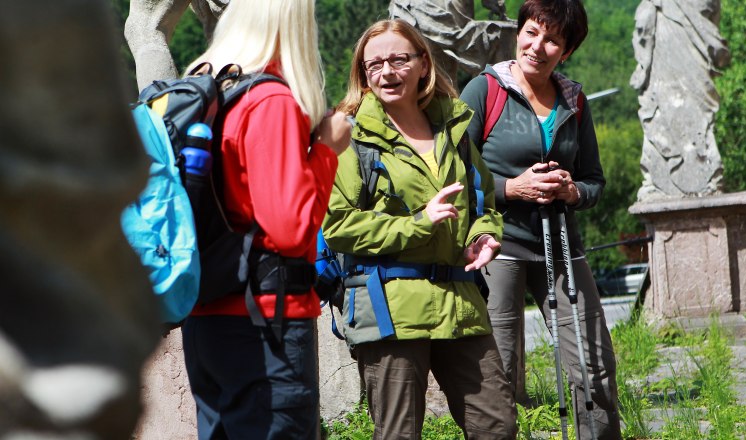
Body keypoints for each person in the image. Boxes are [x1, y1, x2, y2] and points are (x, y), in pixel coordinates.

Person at [321, 19, 517, 440]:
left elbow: (482, 199)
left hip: (460, 301)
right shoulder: (351, 136)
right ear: (363, 74)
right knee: (398, 434)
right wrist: (418, 224)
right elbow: (337, 225)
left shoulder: (455, 129)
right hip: (390, 308)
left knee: (496, 425)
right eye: (374, 65)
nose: (386, 72)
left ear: (423, 64)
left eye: (397, 59)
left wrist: (483, 235)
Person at [178, 0, 350, 438]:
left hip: (206, 316)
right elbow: (292, 231)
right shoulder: (270, 100)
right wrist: (327, 150)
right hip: (265, 323)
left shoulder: (208, 90)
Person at [460, 0, 621, 438]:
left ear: (566, 51)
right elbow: (453, 176)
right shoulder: (482, 91)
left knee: (594, 364)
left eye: (552, 39)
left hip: (564, 246)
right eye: (532, 31)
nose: (538, 46)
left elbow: (594, 182)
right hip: (498, 245)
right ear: (519, 31)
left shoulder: (575, 100)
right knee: (498, 375)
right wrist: (511, 189)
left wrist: (573, 191)